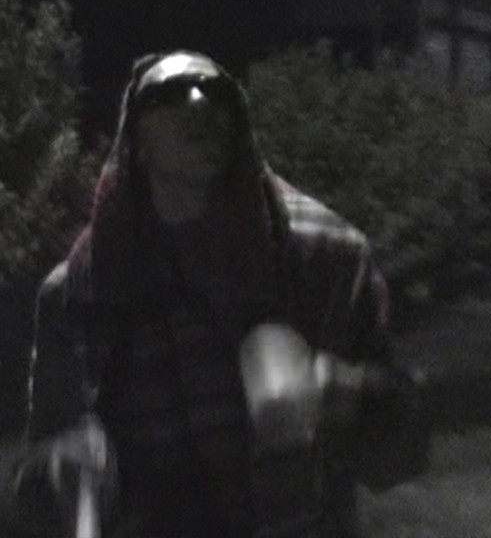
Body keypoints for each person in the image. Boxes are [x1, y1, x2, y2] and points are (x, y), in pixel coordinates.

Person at [12, 50, 428, 537]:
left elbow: (403, 459)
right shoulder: (80, 292)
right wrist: (63, 467)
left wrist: (338, 389)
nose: (198, 101)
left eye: (218, 93)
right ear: (136, 142)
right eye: (169, 94)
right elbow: (35, 485)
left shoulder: (325, 257)